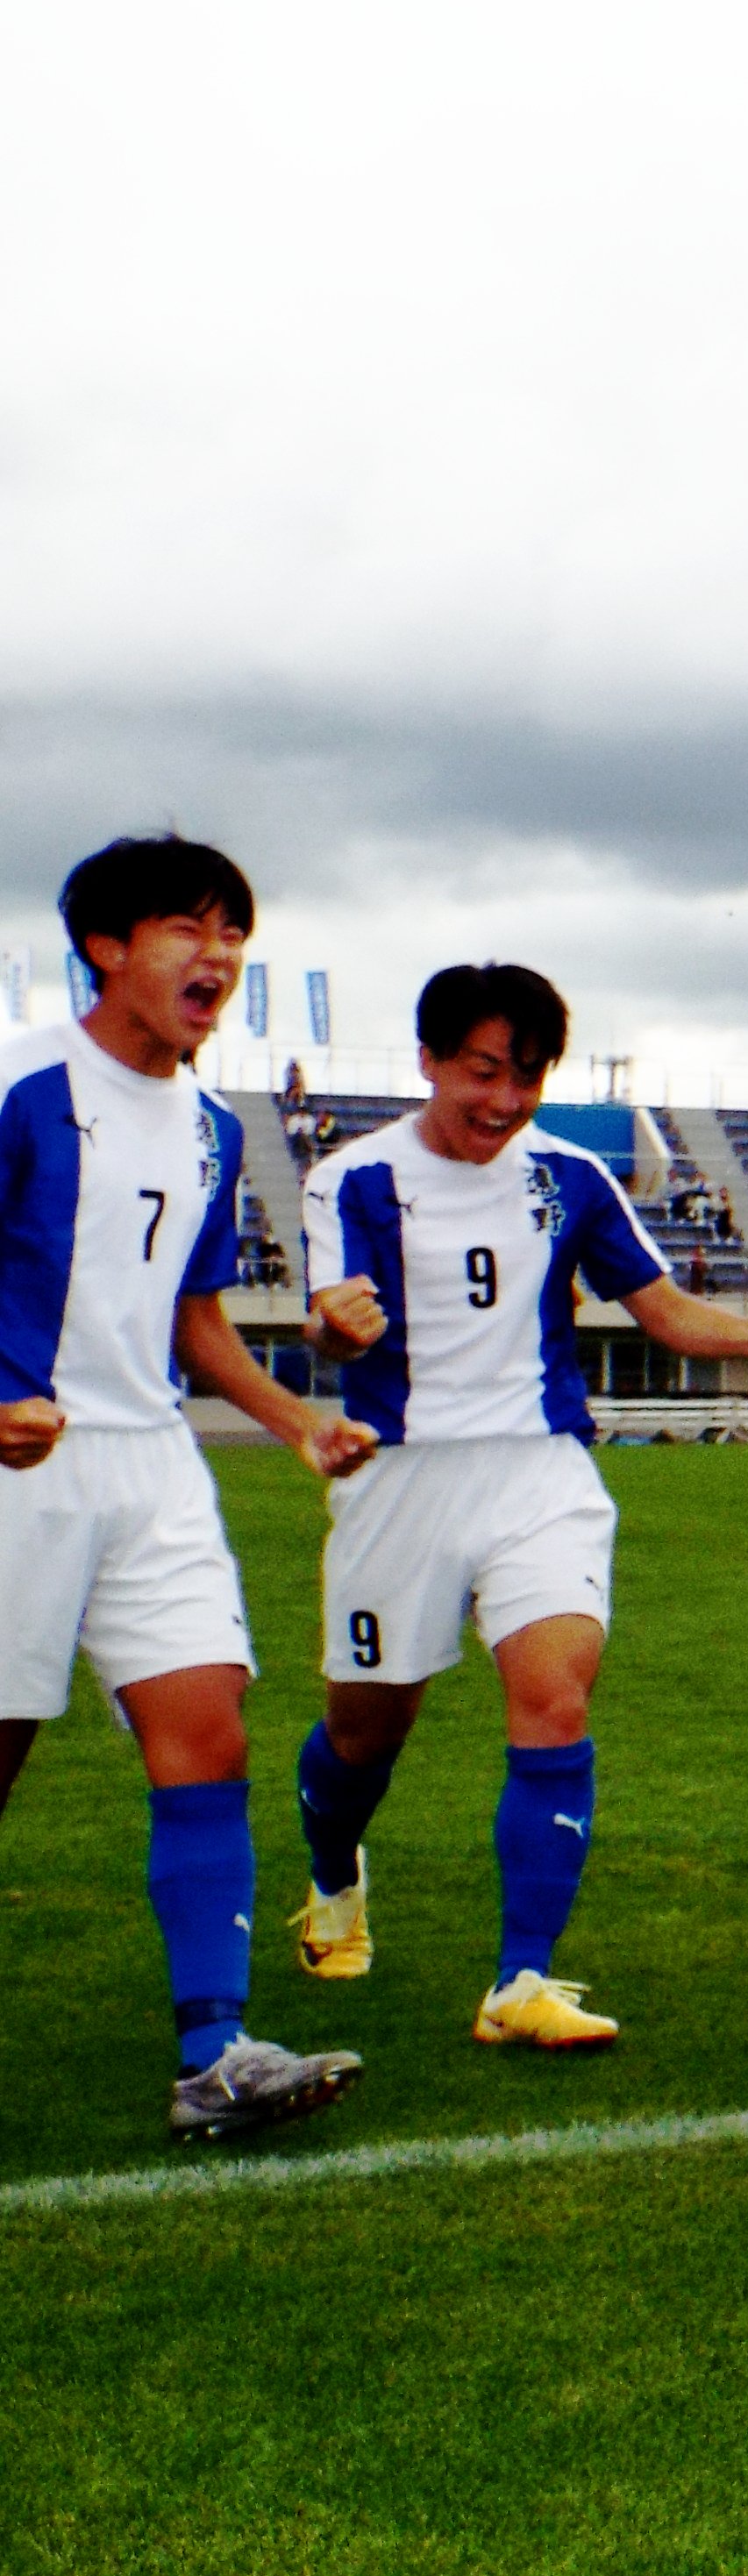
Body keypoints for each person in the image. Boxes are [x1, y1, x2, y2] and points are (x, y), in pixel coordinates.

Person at [290, 964, 748, 2052]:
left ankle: (521, 1980)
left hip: (541, 1472)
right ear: (430, 1061)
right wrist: (333, 1330)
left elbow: (661, 1308)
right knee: (364, 1731)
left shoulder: (572, 1175)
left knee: (555, 1697)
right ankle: (334, 1874)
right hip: (399, 1476)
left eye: (527, 1075)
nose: (505, 1099)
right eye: (483, 1071)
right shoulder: (354, 1180)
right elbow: (330, 1322)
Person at [3, 836, 379, 2140]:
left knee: (206, 1733)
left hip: (150, 1464)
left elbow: (194, 1315)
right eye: (184, 927)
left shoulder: (215, 1128)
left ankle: (215, 2055)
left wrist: (293, 1425)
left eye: (231, 932)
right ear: (105, 947)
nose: (214, 955)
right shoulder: (24, 1084)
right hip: (18, 1466)